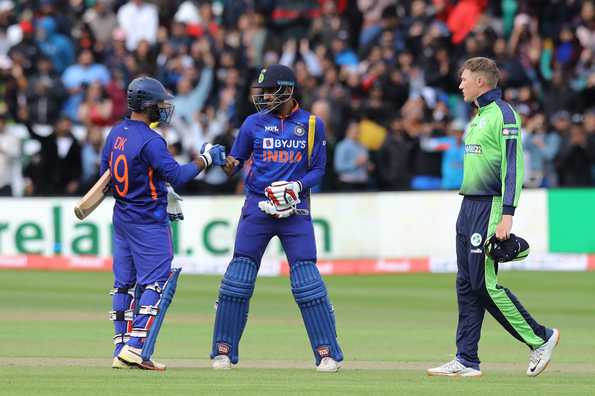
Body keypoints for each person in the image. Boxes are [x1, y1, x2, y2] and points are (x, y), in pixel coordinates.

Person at [427, 57, 559, 378]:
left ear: (481, 82)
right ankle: (466, 359)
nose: (460, 84)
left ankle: (540, 338)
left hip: (490, 206)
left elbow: (514, 166)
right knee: (465, 284)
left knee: (484, 284)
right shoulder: (478, 116)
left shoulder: (503, 114)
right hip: (468, 207)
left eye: (464, 79)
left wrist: (508, 214)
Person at [209, 64, 343, 372]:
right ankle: (223, 351)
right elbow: (234, 163)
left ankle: (326, 353)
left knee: (306, 281)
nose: (265, 97)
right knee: (238, 279)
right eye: (262, 91)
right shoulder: (253, 123)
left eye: (270, 91)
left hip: (295, 209)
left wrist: (296, 186)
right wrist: (218, 160)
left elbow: (318, 170)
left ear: (288, 90)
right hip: (258, 206)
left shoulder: (311, 124)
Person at [100, 76, 227, 370]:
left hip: (122, 217)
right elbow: (179, 175)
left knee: (124, 285)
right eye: (159, 103)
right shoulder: (151, 140)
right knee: (156, 282)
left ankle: (121, 347)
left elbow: (107, 177)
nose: (163, 108)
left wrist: (159, 190)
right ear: (146, 104)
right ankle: (135, 347)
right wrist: (205, 160)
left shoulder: (115, 133)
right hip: (148, 220)